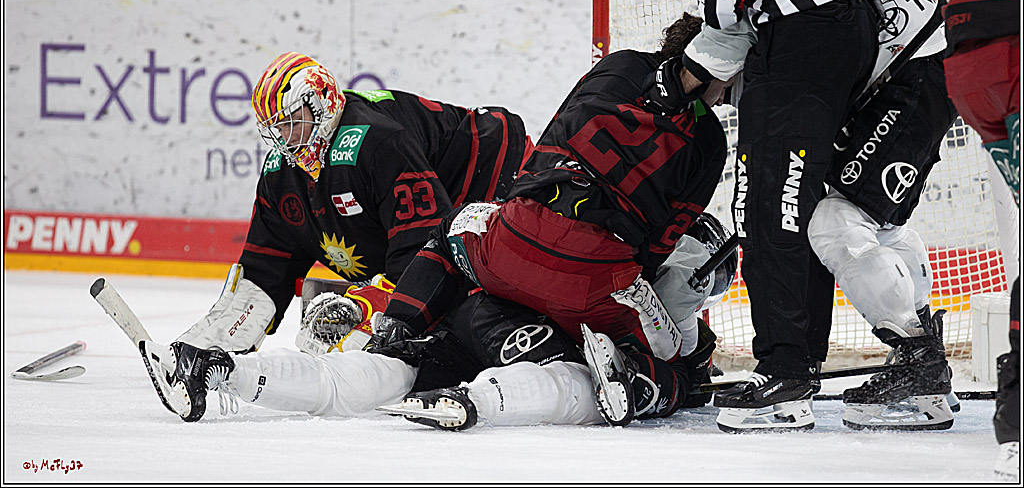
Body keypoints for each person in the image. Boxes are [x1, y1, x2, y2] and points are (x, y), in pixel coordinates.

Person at [659, 0, 944, 432]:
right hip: (862, 22)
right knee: (833, 211)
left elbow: (725, 24)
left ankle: (787, 376)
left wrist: (675, 87)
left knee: (771, 206)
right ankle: (902, 362)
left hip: (800, 45)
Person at [371, 13, 728, 427]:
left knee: (449, 230)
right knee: (681, 363)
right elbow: (663, 241)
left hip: (512, 240)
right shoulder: (710, 138)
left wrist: (519, 214)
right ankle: (641, 384)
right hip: (597, 280)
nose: (726, 93)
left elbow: (552, 135)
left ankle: (394, 332)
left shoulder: (620, 64)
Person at [820, 0, 1018, 475]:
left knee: (840, 223)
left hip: (950, 65)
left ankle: (932, 369)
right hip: (975, 49)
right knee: (857, 220)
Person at [137, 210, 734, 428]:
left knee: (377, 371)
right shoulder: (652, 307)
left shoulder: (582, 238)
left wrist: (396, 320)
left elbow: (448, 246)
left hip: (471, 318)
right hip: (522, 337)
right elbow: (666, 364)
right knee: (580, 387)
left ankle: (226, 372)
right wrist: (653, 386)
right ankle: (473, 403)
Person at [171, 51, 531, 357]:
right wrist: (220, 343)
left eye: (293, 123)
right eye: (276, 129)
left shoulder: (377, 141)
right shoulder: (281, 172)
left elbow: (424, 246)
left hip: (493, 169)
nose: (284, 139)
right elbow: (267, 265)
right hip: (431, 206)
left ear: (322, 104)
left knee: (476, 291)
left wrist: (373, 306)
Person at [809, 17, 960, 431]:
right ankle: (927, 370)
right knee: (884, 226)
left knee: (836, 220)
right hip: (924, 65)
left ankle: (919, 360)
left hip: (913, 68)